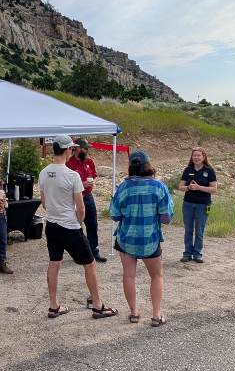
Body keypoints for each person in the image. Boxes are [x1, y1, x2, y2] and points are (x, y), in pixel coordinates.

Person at [38, 134, 117, 319]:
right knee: (90, 264)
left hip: (52, 224)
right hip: (70, 226)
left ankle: (53, 305)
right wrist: (78, 223)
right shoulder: (72, 176)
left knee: (54, 263)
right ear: (68, 150)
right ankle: (97, 306)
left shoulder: (43, 172)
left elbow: (44, 203)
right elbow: (80, 208)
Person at [109, 150, 173, 326]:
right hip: (150, 240)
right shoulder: (159, 187)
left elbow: (114, 215)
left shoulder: (123, 187)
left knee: (129, 276)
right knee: (157, 276)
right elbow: (166, 218)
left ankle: (134, 313)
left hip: (126, 239)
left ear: (130, 166)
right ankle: (156, 315)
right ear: (148, 165)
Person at [67, 138, 107, 263]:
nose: (87, 150)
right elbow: (66, 182)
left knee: (92, 224)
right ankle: (77, 252)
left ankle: (93, 251)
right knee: (75, 225)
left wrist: (93, 181)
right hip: (75, 198)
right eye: (85, 148)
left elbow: (94, 174)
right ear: (78, 148)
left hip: (88, 197)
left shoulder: (89, 161)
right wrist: (81, 185)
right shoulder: (69, 163)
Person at [178, 146, 216, 263]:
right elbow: (180, 187)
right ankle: (187, 253)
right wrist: (189, 187)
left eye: (199, 155)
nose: (196, 157)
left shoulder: (209, 171)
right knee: (188, 230)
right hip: (188, 203)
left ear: (203, 157)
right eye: (194, 155)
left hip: (203, 204)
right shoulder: (188, 170)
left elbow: (213, 189)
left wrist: (199, 187)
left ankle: (197, 253)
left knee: (199, 230)